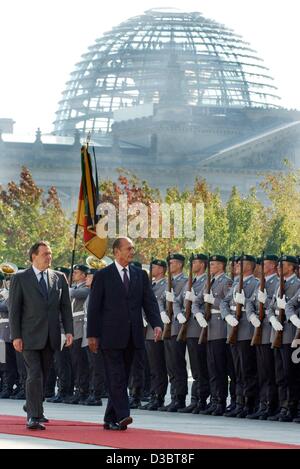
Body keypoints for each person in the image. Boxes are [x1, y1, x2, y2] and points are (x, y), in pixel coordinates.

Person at [87, 237, 163, 431]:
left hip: (133, 335)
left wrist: (157, 324)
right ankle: (123, 414)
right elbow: (94, 308)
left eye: (133, 248)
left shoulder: (140, 275)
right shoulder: (103, 275)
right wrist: (92, 335)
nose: (132, 251)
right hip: (109, 335)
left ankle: (109, 418)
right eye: (128, 248)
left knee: (122, 376)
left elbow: (149, 301)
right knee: (116, 376)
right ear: (116, 252)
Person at [8, 241, 74, 430]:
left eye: (50, 253)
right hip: (28, 336)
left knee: (44, 376)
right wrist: (16, 336)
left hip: (50, 336)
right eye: (45, 253)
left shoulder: (59, 277)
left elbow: (65, 308)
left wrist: (69, 330)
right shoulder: (20, 278)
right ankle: (33, 416)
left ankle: (32, 403)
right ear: (33, 256)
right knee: (35, 373)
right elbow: (14, 311)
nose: (49, 257)